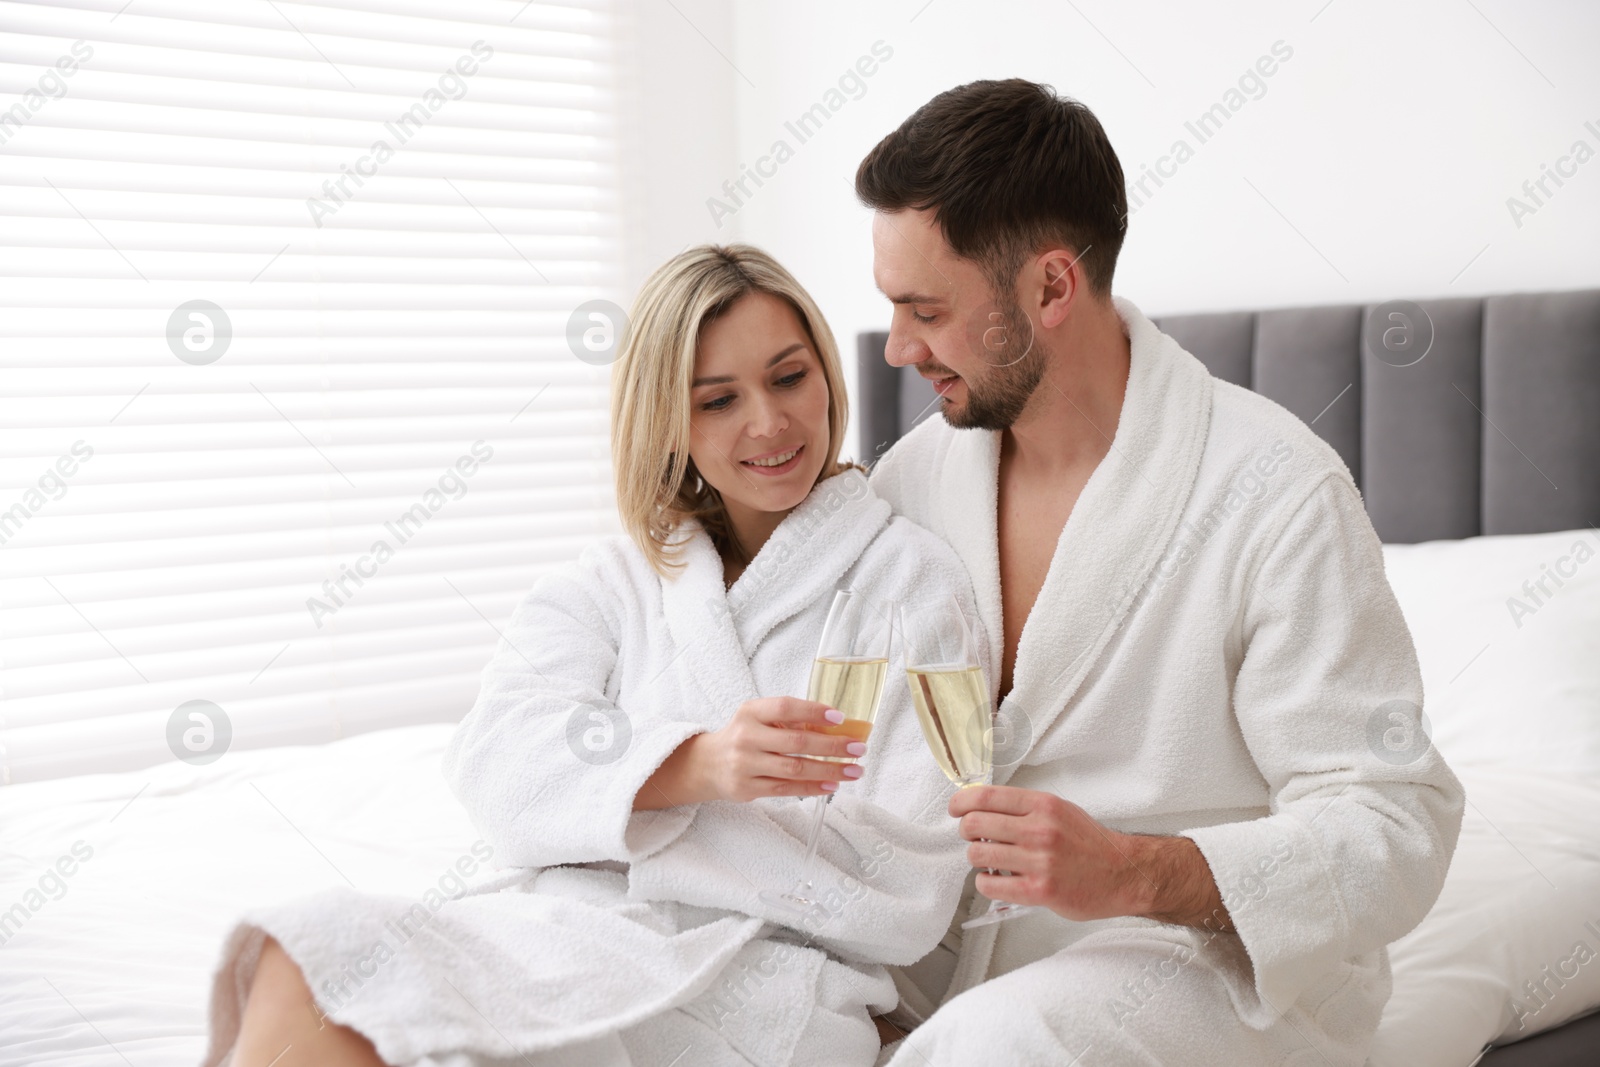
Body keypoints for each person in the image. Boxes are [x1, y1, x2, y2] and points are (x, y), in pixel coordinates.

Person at [203, 245, 982, 1067]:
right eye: (718, 399)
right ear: (669, 423)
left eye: (789, 377)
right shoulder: (616, 581)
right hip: (572, 933)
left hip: (756, 978)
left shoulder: (912, 583)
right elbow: (496, 762)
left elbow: (914, 883)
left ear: (827, 372)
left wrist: (620, 828)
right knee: (315, 949)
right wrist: (700, 766)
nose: (769, 422)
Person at [857, 79, 1466, 1066]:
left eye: (925, 309)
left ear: (1052, 288)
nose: (896, 348)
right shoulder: (911, 480)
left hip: (1199, 967)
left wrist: (1134, 871)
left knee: (1001, 1042)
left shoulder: (1274, 490)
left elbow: (1395, 821)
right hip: (953, 971)